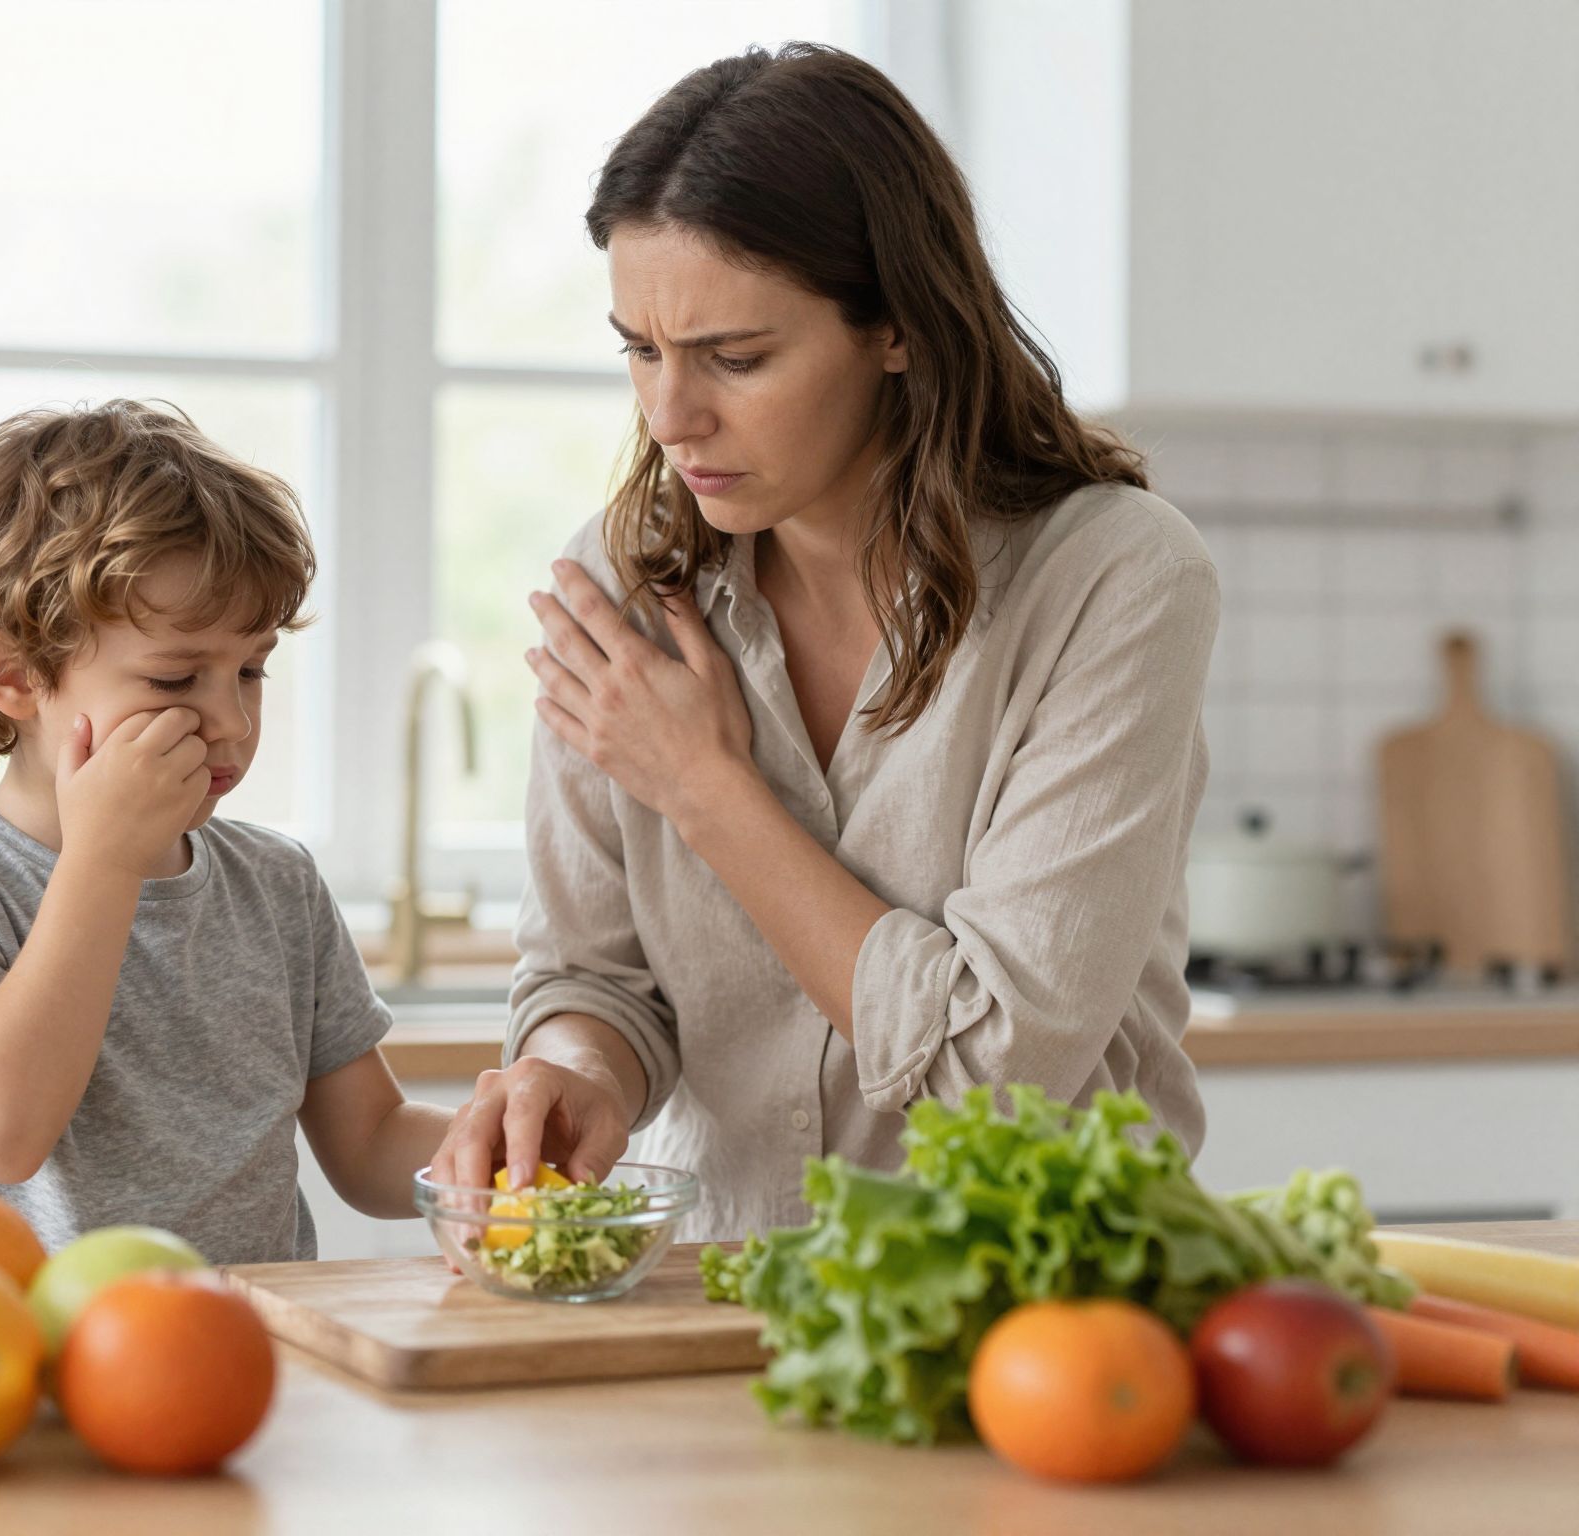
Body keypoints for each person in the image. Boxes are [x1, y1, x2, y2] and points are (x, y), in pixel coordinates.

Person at [432, 43, 1218, 1242]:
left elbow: (994, 1068)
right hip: (715, 1289)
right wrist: (573, 1071)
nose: (668, 415)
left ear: (895, 328)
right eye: (639, 349)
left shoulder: (1113, 578)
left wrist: (705, 789)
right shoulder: (623, 580)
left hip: (1044, 1309)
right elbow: (593, 976)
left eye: (733, 359)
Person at [0, 399, 451, 1262]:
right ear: (12, 675)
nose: (231, 721)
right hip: (18, 1370)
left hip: (246, 1365)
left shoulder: (277, 886)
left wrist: (505, 1153)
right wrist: (104, 857)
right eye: (173, 680)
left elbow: (372, 1146)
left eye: (252, 668)